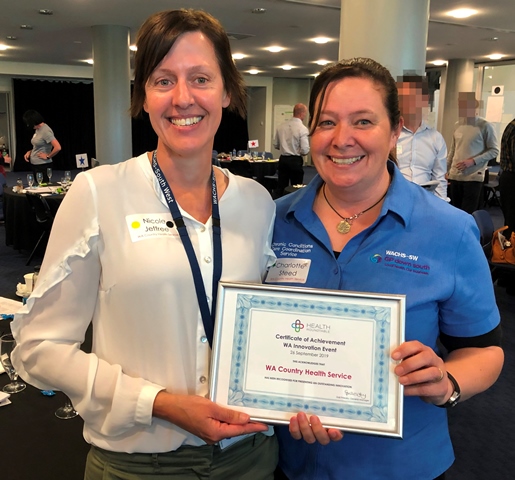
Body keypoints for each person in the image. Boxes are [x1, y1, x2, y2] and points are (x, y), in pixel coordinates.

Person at [12, 9, 278, 479]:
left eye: (200, 78)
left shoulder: (257, 202)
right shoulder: (98, 192)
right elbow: (37, 348)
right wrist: (159, 404)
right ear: (143, 97)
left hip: (250, 455)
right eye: (162, 80)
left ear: (228, 91)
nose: (183, 98)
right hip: (140, 464)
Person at [267, 58, 503, 480]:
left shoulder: (448, 229)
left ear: (395, 130)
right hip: (287, 461)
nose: (342, 139)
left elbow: (486, 350)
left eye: (363, 121)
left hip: (400, 465)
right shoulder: (270, 220)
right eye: (326, 123)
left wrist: (446, 382)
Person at [396, 74, 448, 200]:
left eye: (414, 97)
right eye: (404, 97)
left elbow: (439, 179)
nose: (409, 102)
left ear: (425, 99)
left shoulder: (435, 138)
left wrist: (442, 207)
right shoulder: (390, 135)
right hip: (394, 200)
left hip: (425, 201)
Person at [447, 92, 499, 214]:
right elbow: (453, 150)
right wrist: (445, 170)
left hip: (473, 177)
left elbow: (494, 150)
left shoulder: (485, 126)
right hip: (455, 176)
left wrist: (473, 161)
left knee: (468, 214)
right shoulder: (457, 125)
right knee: (454, 212)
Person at [273, 103, 310, 196]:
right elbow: (305, 150)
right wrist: (298, 151)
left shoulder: (281, 126)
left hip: (283, 160)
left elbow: (276, 145)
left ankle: (279, 207)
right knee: (296, 188)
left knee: (281, 186)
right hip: (295, 161)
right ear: (302, 114)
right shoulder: (302, 129)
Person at [22, 109, 61, 183]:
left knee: (43, 188)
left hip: (43, 165)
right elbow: (39, 145)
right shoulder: (38, 129)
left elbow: (58, 147)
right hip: (36, 164)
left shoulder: (46, 131)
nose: (27, 125)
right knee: (38, 187)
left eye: (28, 123)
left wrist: (48, 156)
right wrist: (30, 152)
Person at [499, 118, 515, 237]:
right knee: (512, 224)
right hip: (512, 179)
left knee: (511, 222)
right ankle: (508, 254)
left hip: (509, 178)